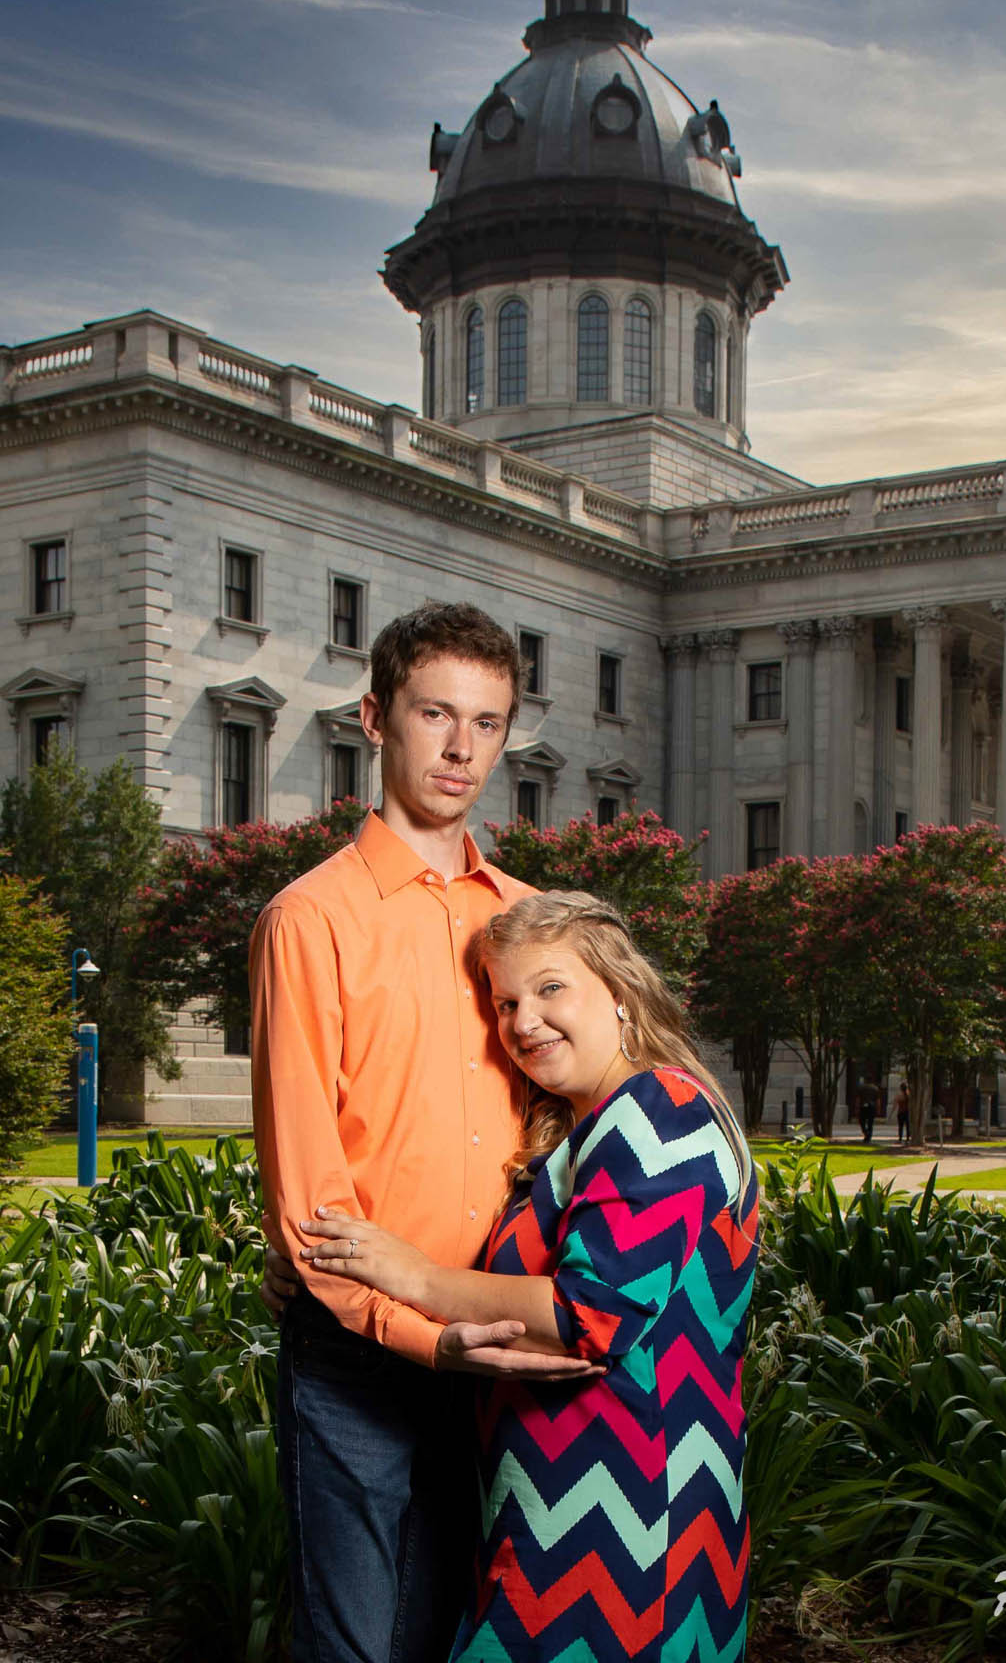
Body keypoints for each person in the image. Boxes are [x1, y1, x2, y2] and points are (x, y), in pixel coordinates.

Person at [249, 602, 594, 1663]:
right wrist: (424, 1334)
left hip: (506, 1346)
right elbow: (308, 1194)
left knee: (465, 1636)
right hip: (365, 1355)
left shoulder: (534, 923)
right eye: (434, 712)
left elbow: (587, 1118)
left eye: (486, 722)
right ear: (374, 718)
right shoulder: (311, 919)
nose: (459, 746)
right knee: (357, 1648)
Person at [295, 890, 760, 1663]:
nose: (522, 1022)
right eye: (505, 1002)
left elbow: (593, 1313)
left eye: (550, 988)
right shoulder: (583, 1127)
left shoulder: (662, 1107)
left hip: (631, 1526)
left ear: (619, 993)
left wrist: (412, 1275)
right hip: (548, 1510)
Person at [895, 1078, 911, 1146]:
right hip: (907, 1112)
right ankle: (907, 1138)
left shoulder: (899, 1095)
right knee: (908, 1126)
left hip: (900, 1112)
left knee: (900, 1126)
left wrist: (892, 1113)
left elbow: (895, 1104)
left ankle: (900, 1138)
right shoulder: (909, 1095)